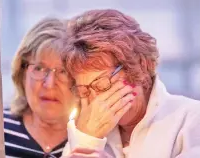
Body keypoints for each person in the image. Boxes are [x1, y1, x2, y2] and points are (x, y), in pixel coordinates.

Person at [61, 9, 200, 158]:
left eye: (102, 84)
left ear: (139, 66)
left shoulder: (190, 120)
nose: (97, 102)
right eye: (85, 91)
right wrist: (86, 139)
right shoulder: (85, 130)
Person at [4, 18, 77, 158]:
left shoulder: (94, 140)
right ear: (22, 73)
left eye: (63, 72)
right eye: (39, 68)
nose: (49, 84)